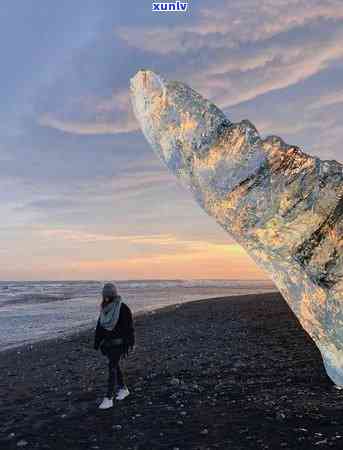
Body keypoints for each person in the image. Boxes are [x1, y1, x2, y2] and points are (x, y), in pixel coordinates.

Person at [94, 282, 135, 410]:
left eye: (108, 296)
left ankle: (109, 398)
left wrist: (130, 344)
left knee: (112, 366)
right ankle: (123, 389)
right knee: (115, 366)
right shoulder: (104, 309)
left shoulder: (123, 308)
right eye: (104, 296)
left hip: (120, 344)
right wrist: (97, 342)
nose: (106, 298)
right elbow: (99, 327)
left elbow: (129, 328)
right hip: (108, 345)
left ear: (113, 295)